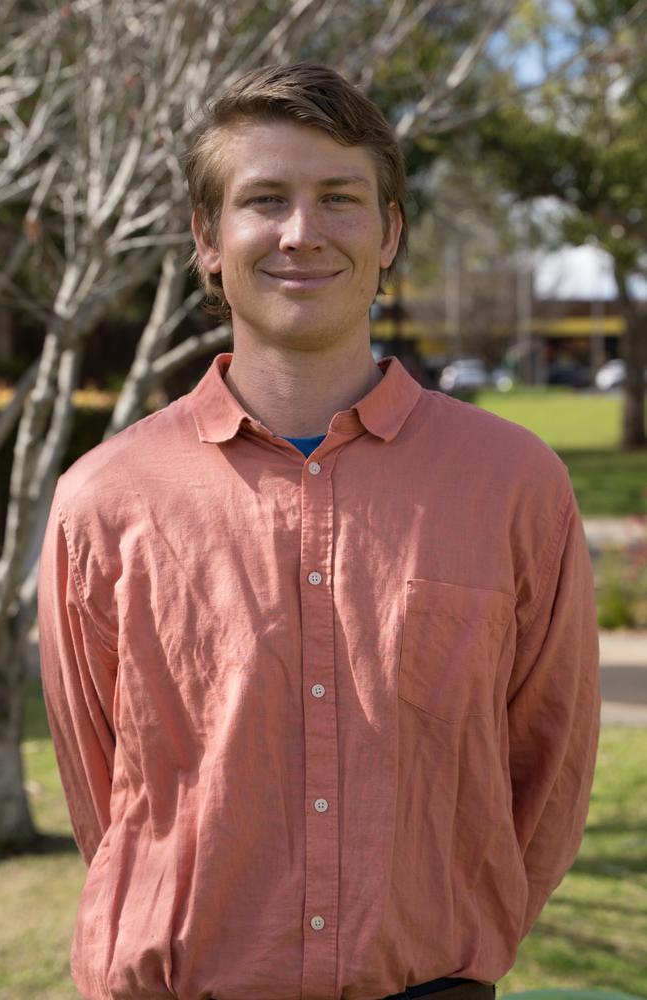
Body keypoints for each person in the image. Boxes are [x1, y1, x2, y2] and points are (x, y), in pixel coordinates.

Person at [38, 63, 601, 1000]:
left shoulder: (515, 487)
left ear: (390, 235)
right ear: (207, 239)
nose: (302, 232)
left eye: (339, 198)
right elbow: (103, 795)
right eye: (266, 199)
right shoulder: (103, 500)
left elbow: (547, 776)